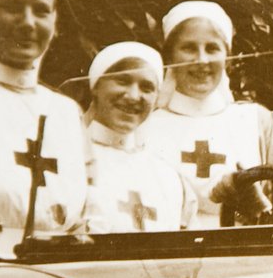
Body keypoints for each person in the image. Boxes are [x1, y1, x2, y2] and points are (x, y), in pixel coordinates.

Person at [0, 0, 91, 254]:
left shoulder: (65, 111)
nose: (28, 22)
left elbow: (85, 216)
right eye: (12, 7)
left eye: (41, 10)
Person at [141, 0, 273, 228]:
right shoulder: (145, 127)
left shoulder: (259, 121)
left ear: (228, 56)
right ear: (170, 56)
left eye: (212, 48)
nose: (202, 60)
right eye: (189, 48)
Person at [84, 42, 196, 231]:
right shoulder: (71, 162)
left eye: (147, 87)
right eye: (122, 81)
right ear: (96, 86)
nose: (134, 96)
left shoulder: (170, 178)